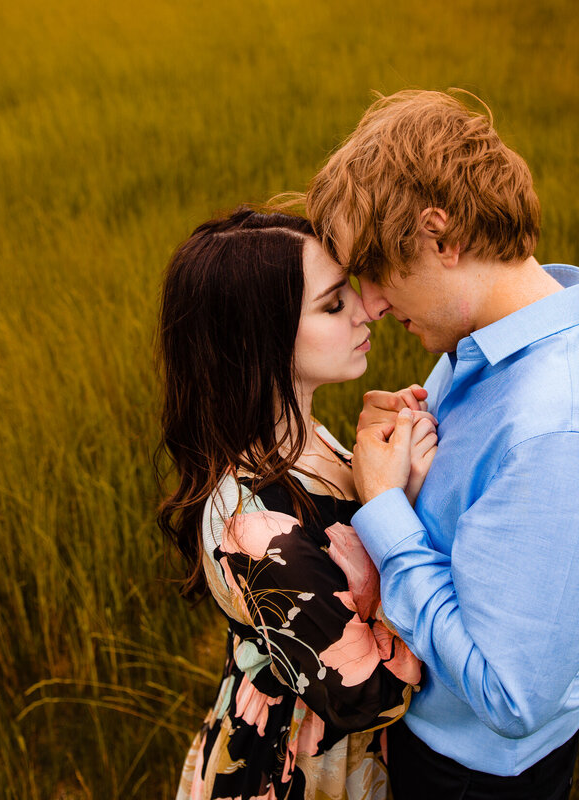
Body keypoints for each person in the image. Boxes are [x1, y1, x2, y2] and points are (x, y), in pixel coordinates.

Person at [303, 90, 579, 799]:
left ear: (443, 237)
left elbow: (507, 694)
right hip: (418, 730)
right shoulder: (478, 343)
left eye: (377, 270)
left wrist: (383, 509)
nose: (371, 302)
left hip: (474, 774)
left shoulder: (563, 426)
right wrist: (407, 478)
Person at [155, 207, 433, 800]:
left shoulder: (307, 437)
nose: (365, 310)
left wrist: (379, 471)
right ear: (260, 337)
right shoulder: (252, 523)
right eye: (333, 305)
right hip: (297, 774)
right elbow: (366, 696)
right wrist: (398, 510)